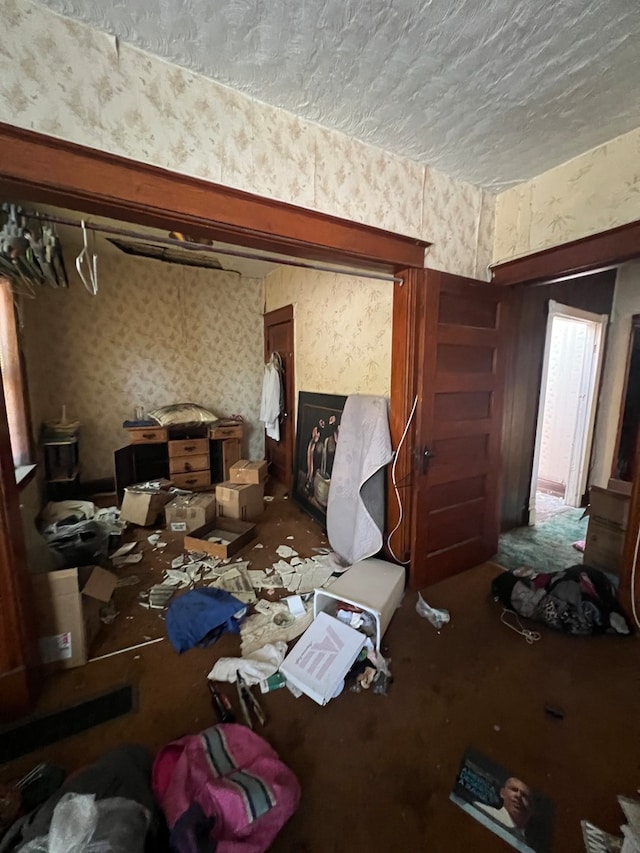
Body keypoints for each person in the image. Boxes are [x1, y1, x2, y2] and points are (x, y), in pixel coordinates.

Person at [475, 777, 533, 843]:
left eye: (524, 795)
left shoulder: (525, 842)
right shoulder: (481, 811)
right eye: (514, 789)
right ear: (502, 792)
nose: (518, 795)